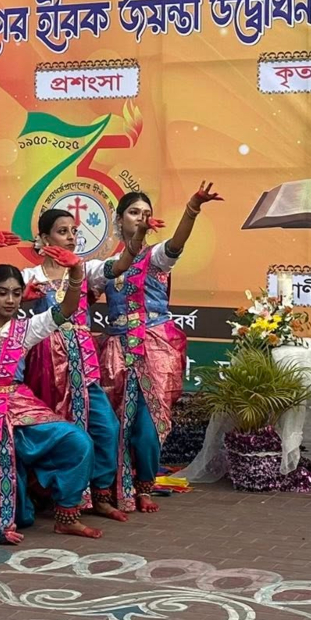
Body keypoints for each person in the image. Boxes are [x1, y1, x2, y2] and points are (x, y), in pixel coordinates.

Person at [0, 229, 101, 543]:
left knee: (77, 442)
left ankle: (67, 514)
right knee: (19, 515)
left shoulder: (26, 327)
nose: (10, 299)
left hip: (18, 408)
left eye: (16, 293)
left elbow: (65, 310)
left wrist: (75, 273)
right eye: (2, 292)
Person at [93, 183, 222, 513]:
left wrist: (193, 207)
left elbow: (178, 242)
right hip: (117, 349)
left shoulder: (157, 257)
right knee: (116, 423)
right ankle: (109, 488)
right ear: (119, 219)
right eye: (134, 212)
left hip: (154, 346)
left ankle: (143, 485)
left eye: (146, 213)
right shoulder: (105, 267)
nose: (141, 218)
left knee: (148, 427)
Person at [23, 210, 127, 522]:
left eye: (73, 231)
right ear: (44, 239)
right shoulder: (30, 277)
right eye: (61, 231)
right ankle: (53, 494)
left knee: (106, 426)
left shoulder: (85, 270)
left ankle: (101, 495)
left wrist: (134, 241)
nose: (70, 237)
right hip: (46, 367)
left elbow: (120, 265)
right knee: (57, 432)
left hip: (83, 364)